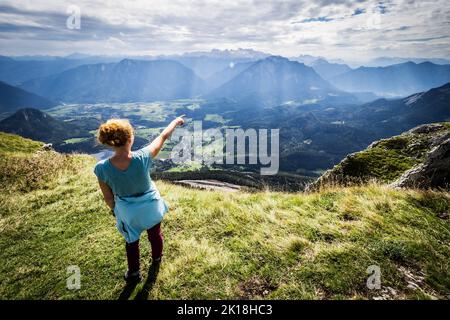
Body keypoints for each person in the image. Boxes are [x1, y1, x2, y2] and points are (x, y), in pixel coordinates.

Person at [93, 116, 185, 282]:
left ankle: (134, 273)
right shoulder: (143, 156)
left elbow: (108, 198)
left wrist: (116, 211)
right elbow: (163, 136)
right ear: (131, 138)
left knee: (131, 242)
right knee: (155, 235)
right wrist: (175, 122)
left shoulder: (101, 169)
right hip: (151, 207)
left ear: (109, 142)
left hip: (129, 213)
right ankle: (157, 259)